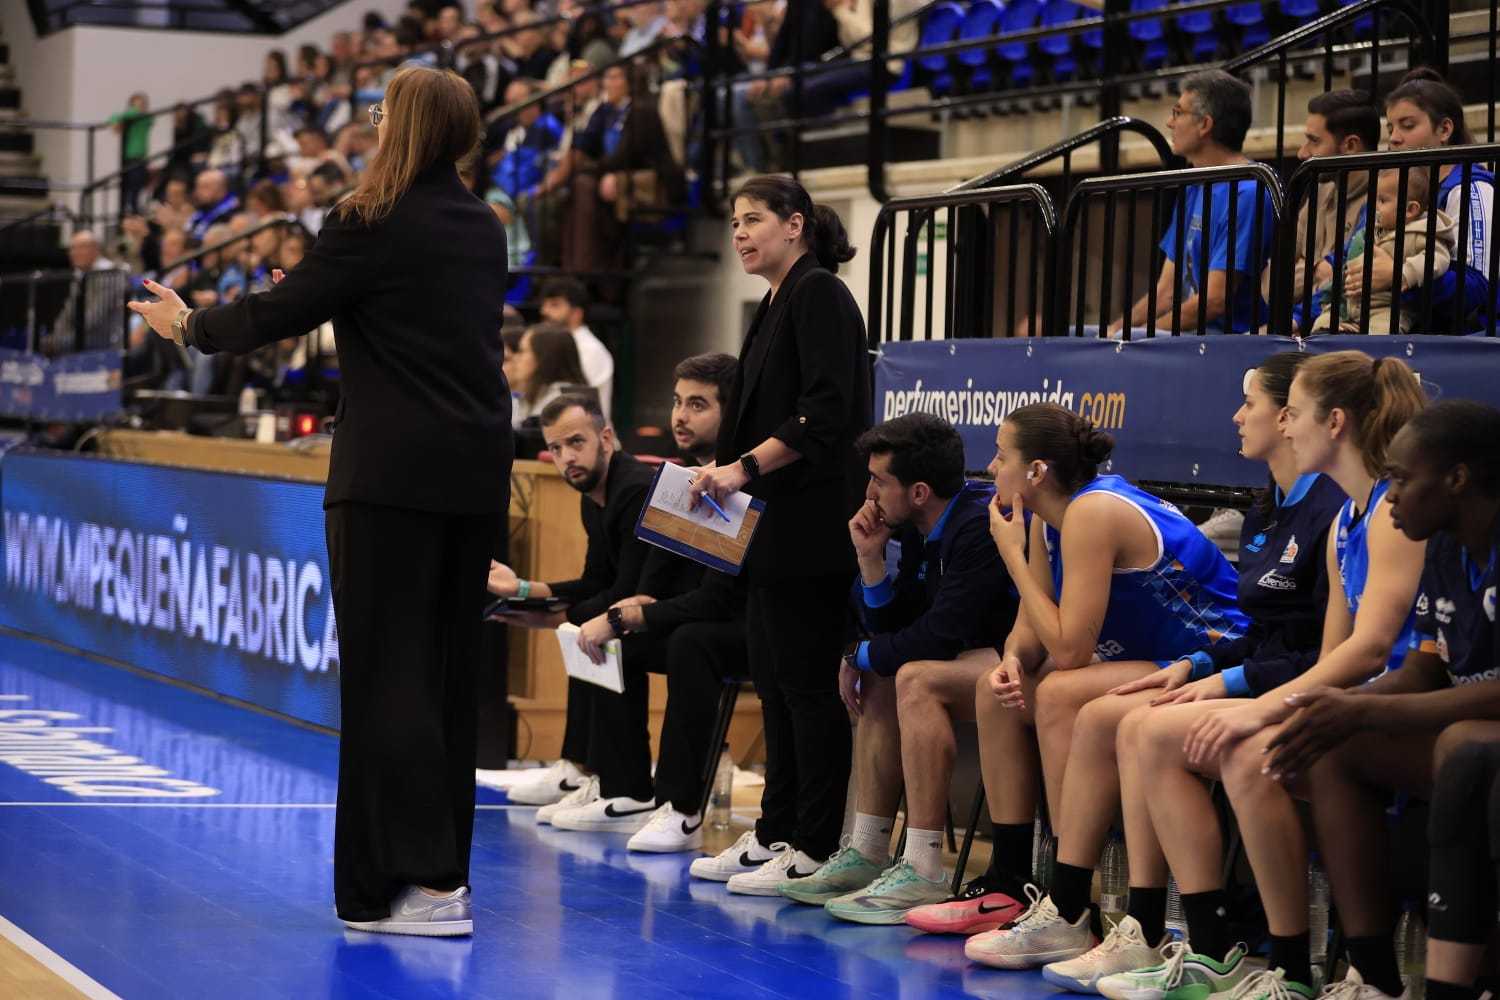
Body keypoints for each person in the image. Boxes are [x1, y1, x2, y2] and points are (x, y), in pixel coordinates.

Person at [128, 66, 511, 938]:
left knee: (390, 676)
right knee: (444, 675)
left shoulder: (366, 218)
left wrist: (187, 325)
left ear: (402, 123)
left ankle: (420, 885)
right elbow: (394, 316)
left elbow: (278, 314)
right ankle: (429, 879)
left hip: (390, 477)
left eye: (382, 112)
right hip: (474, 470)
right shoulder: (484, 225)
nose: (372, 124)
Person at [999, 353, 1342, 995]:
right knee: (1067, 702)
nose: (1238, 416)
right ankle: (1102, 912)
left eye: (1253, 403)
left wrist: (1213, 674)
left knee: (1095, 706)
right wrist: (1202, 667)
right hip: (1219, 661)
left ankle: (1106, 912)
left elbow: (1070, 650)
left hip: (1258, 672)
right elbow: (1035, 636)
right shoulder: (1266, 507)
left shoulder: (1333, 511)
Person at [1131, 351, 1426, 1000]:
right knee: (1195, 737)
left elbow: (1374, 649)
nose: (1287, 426)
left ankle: (1303, 969)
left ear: (1336, 423)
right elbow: (1332, 658)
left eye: (1297, 413)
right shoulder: (1348, 518)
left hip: (1414, 708)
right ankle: (1261, 963)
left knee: (1251, 751)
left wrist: (1265, 708)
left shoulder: (1388, 511)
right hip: (1358, 706)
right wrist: (1264, 699)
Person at [936, 403, 1247, 970]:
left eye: (1001, 455)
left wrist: (1009, 554)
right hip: (1145, 658)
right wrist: (1010, 660)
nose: (990, 466)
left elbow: (1071, 652)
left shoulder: (1092, 512)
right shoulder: (1043, 517)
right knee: (997, 689)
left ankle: (1068, 900)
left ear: (1036, 472)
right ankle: (1018, 881)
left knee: (1058, 691)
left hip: (1205, 659)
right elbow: (1032, 632)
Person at [1249, 400, 1500, 1000]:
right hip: (1467, 738)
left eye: (1404, 480)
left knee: (1462, 750)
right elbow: (1422, 671)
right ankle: (1373, 978)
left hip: (1478, 744)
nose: (1391, 497)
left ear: (1457, 480)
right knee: (1336, 746)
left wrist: (1362, 706)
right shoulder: (1444, 546)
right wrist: (1335, 705)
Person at [687, 175, 871, 895]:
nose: (739, 234)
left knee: (806, 689)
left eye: (753, 219)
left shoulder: (820, 293)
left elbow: (825, 414)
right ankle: (773, 832)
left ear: (795, 225)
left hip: (811, 526)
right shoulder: (773, 301)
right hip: (767, 530)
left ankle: (814, 844)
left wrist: (741, 467)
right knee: (775, 683)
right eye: (734, 221)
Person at [787, 412, 1018, 923]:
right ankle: (868, 850)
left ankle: (922, 868)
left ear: (917, 491)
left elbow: (939, 635)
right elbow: (902, 625)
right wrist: (871, 562)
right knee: (885, 672)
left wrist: (858, 654)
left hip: (1022, 658)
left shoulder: (976, 526)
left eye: (878, 481)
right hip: (976, 654)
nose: (868, 493)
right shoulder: (918, 524)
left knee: (910, 674)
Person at [490, 394, 660, 812]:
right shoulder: (595, 494)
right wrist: (524, 591)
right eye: (556, 448)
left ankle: (624, 787)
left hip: (669, 609)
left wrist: (551, 616)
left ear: (605, 438)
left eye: (576, 443)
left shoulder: (634, 489)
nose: (567, 457)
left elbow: (625, 591)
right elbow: (594, 582)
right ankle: (582, 768)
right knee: (582, 626)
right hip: (634, 604)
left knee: (595, 629)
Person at [1109, 69, 1274, 336]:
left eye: (1178, 112)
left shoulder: (1248, 191)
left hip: (1228, 338)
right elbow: (1166, 290)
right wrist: (1116, 329)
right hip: (1191, 333)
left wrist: (1137, 335)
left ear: (1205, 125)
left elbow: (1215, 300)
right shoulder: (1195, 185)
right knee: (1078, 334)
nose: (1169, 123)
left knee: (1125, 340)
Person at [1375, 68, 1496, 334]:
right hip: (1406, 323)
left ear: (1444, 129)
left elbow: (1476, 287)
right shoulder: (1393, 187)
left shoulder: (1471, 188)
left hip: (1465, 339)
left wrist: (1399, 277)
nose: (1394, 138)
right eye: (1391, 127)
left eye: (1407, 126)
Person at [1274, 89, 1380, 330]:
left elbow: (1348, 284)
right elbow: (1272, 285)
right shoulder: (1317, 193)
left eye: (1314, 141)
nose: (1302, 153)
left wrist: (1303, 265)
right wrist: (1317, 268)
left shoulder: (1385, 201)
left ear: (1350, 145)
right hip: (1297, 328)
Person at [1311, 167, 1456, 335]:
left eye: (1383, 200)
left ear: (1411, 209)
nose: (1374, 206)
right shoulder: (1370, 232)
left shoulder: (1422, 233)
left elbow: (1437, 259)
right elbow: (1349, 264)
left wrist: (1404, 274)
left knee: (1381, 335)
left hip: (1388, 307)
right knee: (1320, 326)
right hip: (1350, 304)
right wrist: (1331, 294)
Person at [539, 277, 615, 418]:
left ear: (576, 313)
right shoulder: (547, 344)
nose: (544, 311)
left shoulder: (591, 350)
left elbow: (582, 405)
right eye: (544, 305)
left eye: (555, 305)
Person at [511, 323, 589, 424]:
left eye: (522, 351)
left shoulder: (562, 402)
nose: (516, 358)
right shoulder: (538, 393)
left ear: (543, 358)